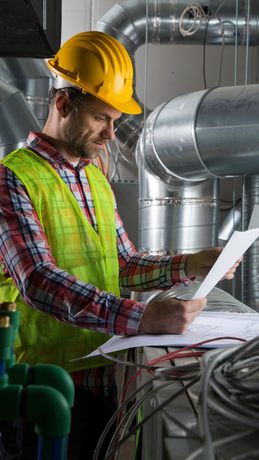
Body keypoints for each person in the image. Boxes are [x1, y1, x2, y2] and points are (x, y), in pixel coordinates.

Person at [0, 31, 240, 460]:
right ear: (62, 105)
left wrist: (191, 264)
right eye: (101, 118)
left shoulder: (93, 176)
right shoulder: (11, 178)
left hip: (99, 379)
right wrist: (142, 317)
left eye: (115, 121)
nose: (112, 134)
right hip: (37, 389)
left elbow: (122, 262)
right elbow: (35, 278)